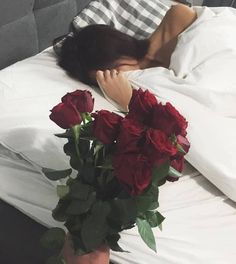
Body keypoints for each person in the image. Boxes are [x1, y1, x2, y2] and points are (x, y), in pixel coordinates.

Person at [59, 4, 197, 263]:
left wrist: (131, 99)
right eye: (97, 80)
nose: (108, 80)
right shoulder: (136, 84)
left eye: (108, 71)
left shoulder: (177, 17)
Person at [58, 4, 197, 111]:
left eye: (110, 72)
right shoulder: (138, 86)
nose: (113, 79)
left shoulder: (178, 19)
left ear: (119, 51)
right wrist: (128, 103)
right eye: (100, 82)